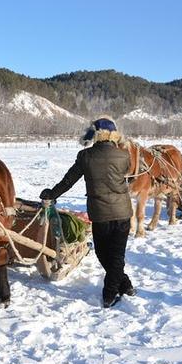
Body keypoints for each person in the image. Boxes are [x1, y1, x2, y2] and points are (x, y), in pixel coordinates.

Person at [39, 116, 135, 308]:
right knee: (116, 255)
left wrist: (51, 193)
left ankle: (109, 294)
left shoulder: (85, 157)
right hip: (123, 212)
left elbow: (68, 181)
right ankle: (125, 284)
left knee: (103, 253)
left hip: (100, 214)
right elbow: (127, 175)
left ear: (95, 135)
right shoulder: (124, 156)